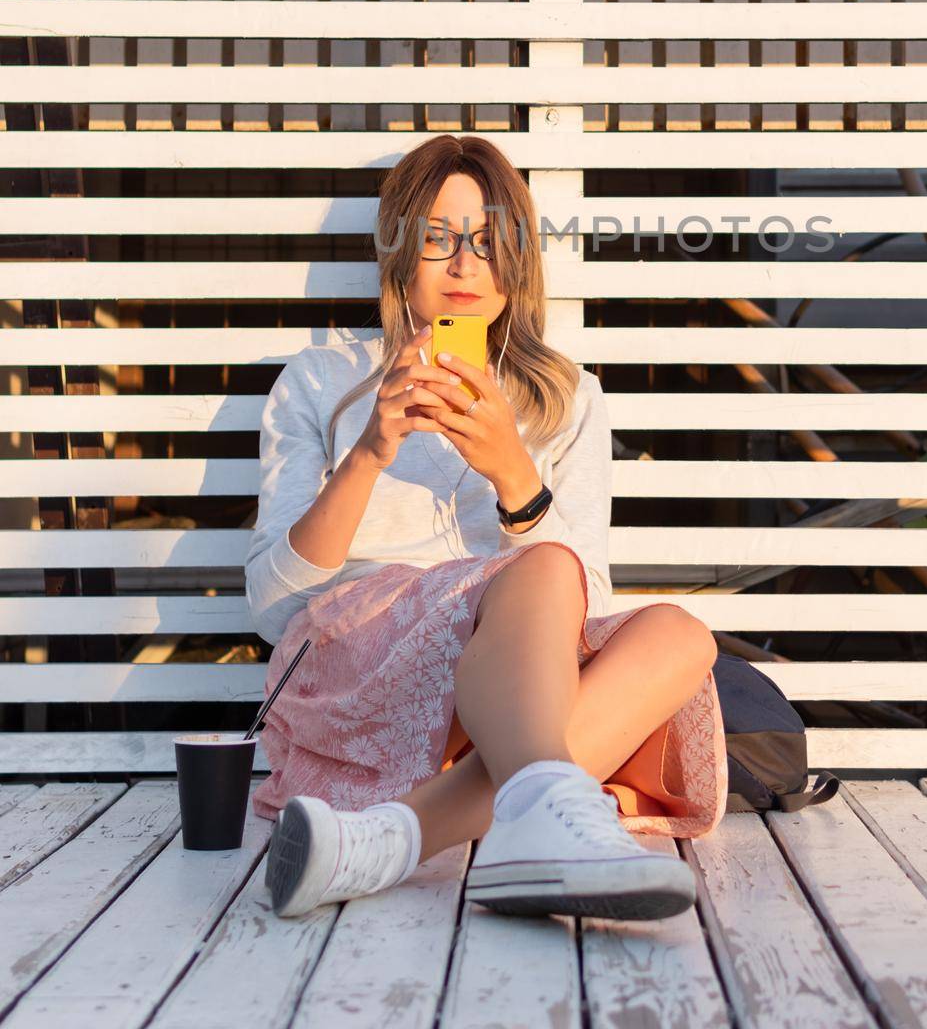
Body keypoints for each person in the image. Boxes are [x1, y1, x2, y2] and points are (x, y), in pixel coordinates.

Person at [245, 134, 728, 923]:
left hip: (502, 700)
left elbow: (588, 599)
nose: (466, 266)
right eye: (438, 239)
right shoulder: (322, 380)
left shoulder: (567, 398)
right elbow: (269, 611)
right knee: (538, 573)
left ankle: (390, 841)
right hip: (360, 675)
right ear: (399, 251)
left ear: (516, 259)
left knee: (681, 633)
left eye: (487, 241)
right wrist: (370, 451)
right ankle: (545, 821)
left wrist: (515, 475)